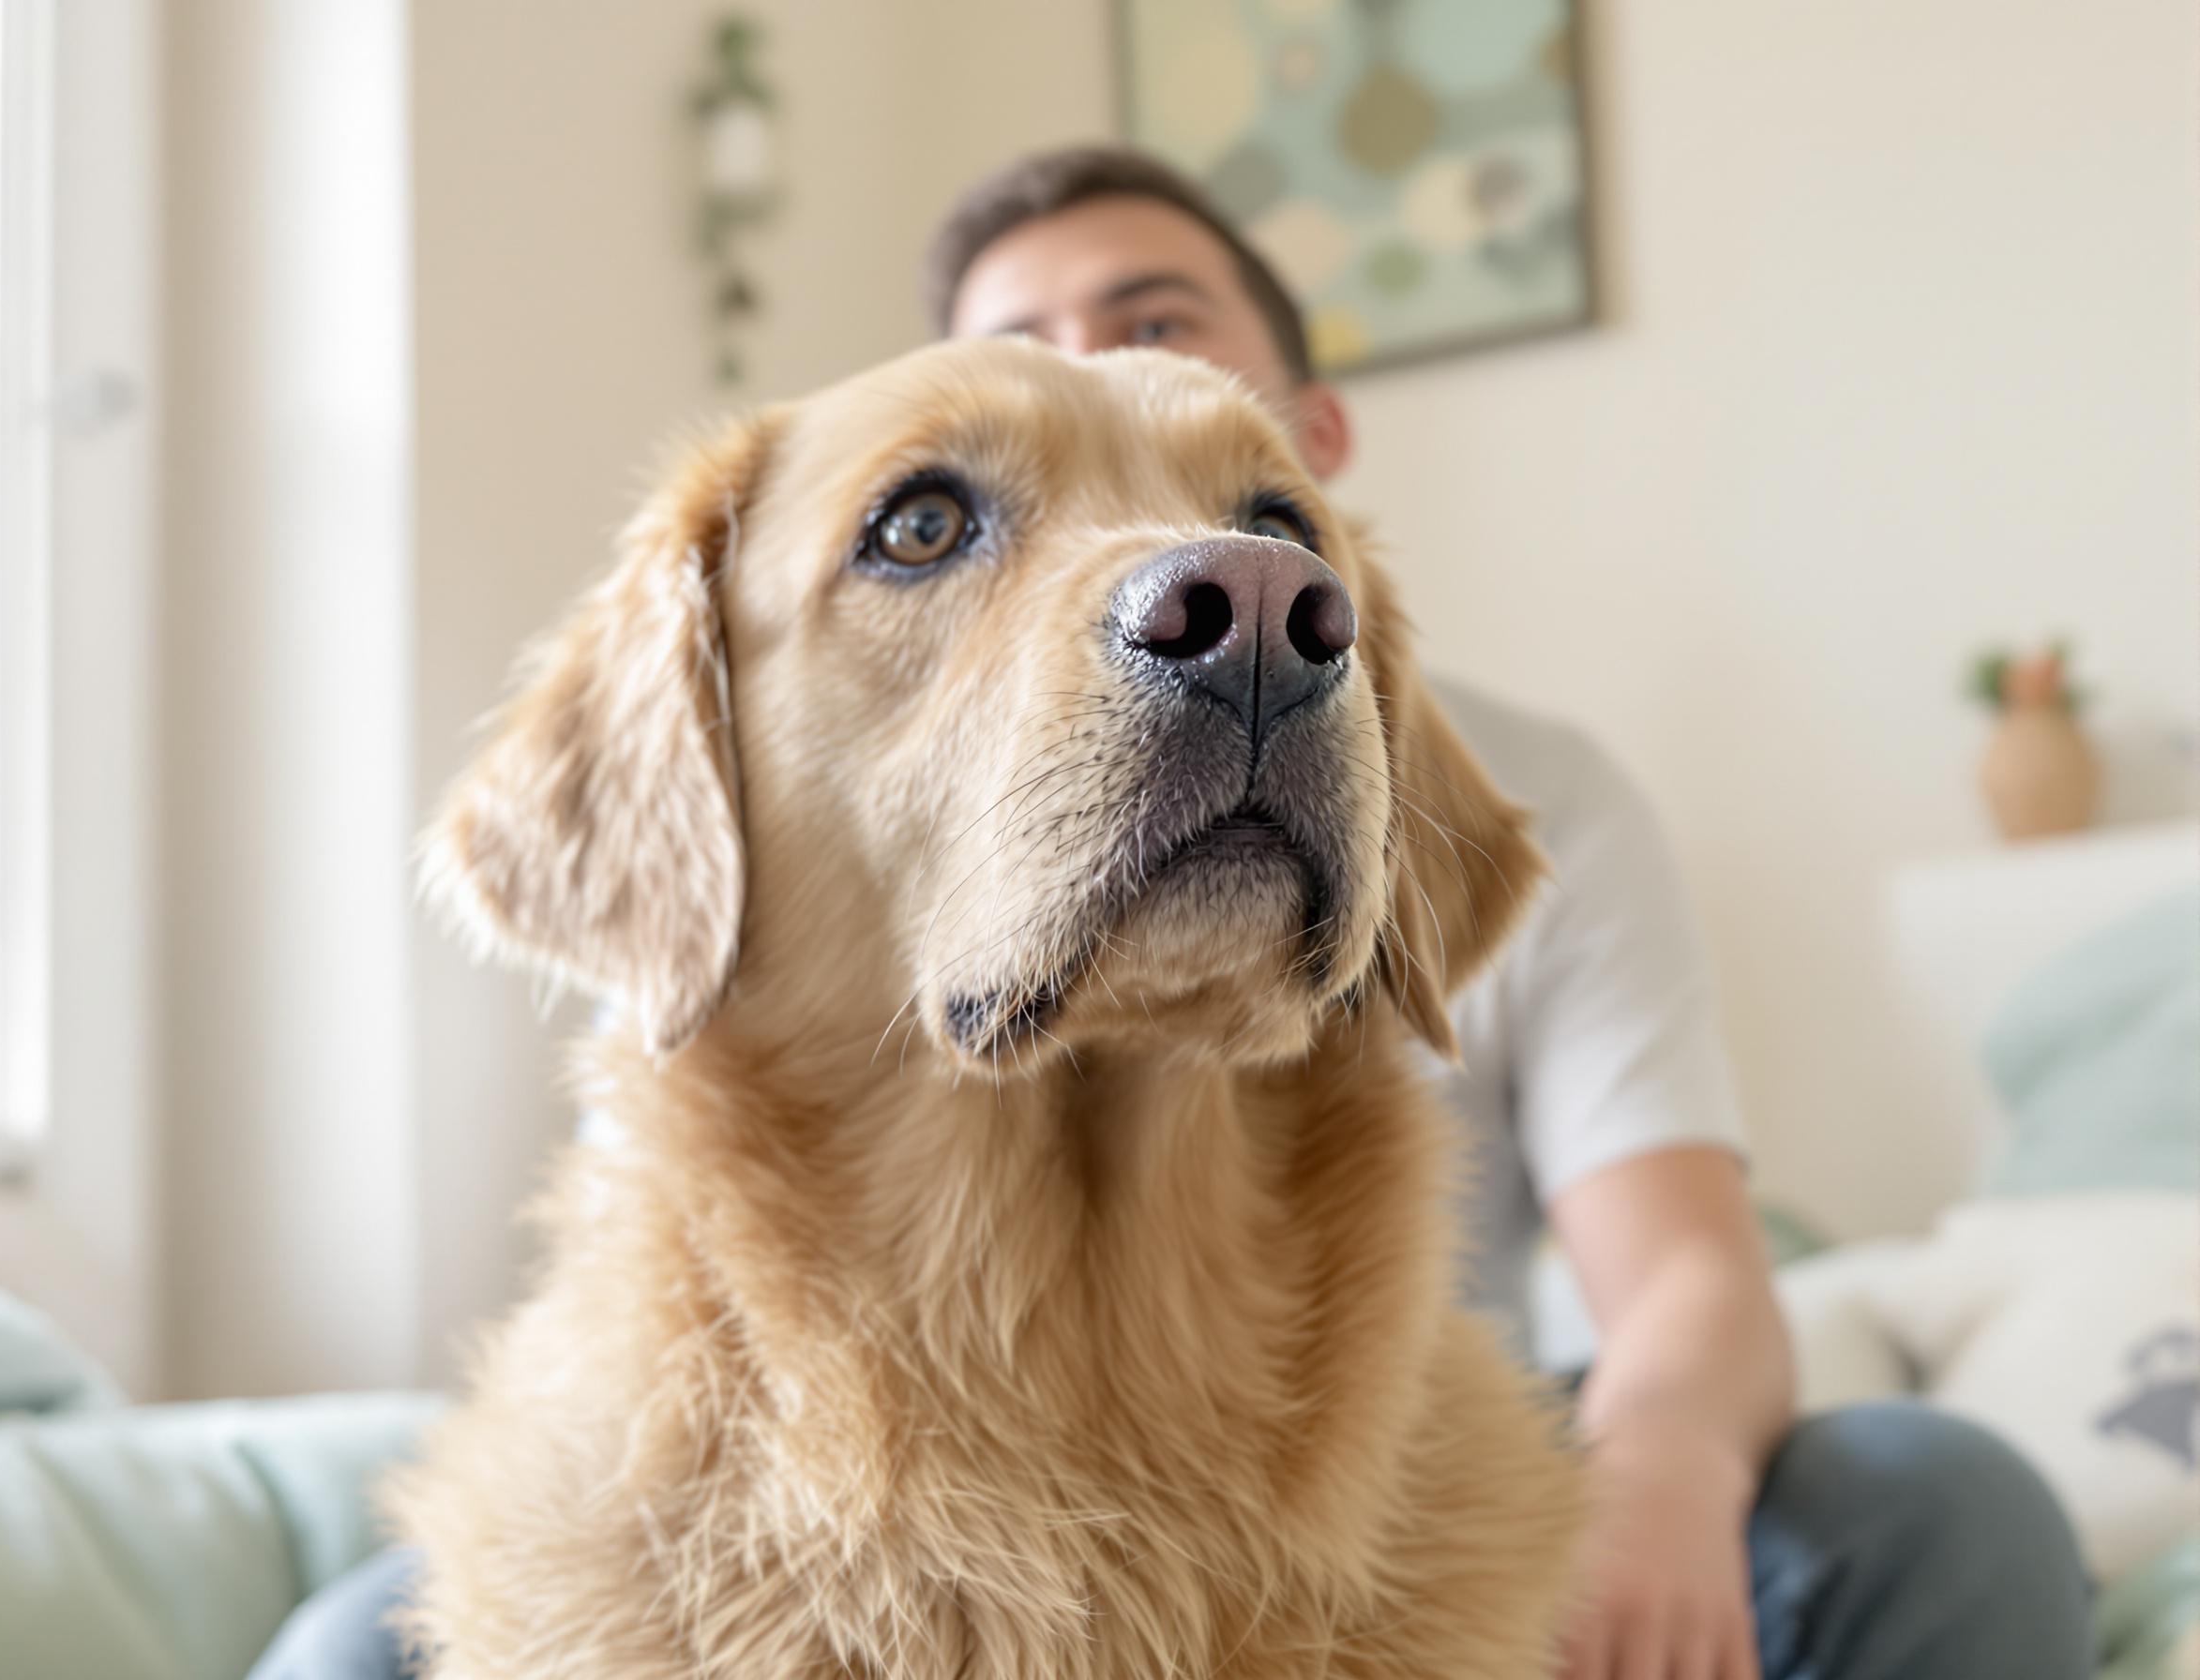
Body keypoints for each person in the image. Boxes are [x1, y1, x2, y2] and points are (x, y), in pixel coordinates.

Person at [251, 148, 2092, 1680]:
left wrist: (1669, 1468)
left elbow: (1684, 1263)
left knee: (1937, 1492)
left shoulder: (1518, 781)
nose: (1206, 596)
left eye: (1159, 351)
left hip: (1378, 1478)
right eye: (928, 522)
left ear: (1316, 430)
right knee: (347, 1644)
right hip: (779, 1488)